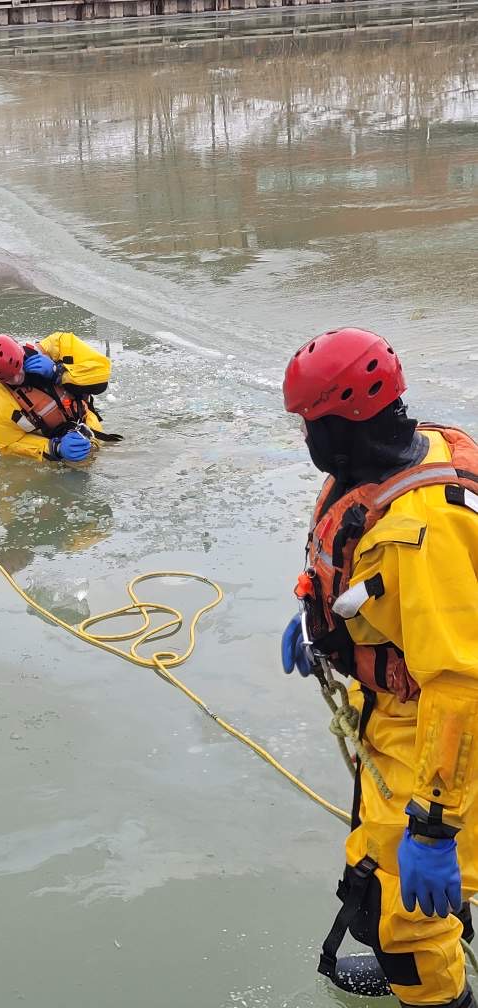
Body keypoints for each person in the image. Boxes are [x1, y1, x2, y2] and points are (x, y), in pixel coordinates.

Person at [280, 327, 478, 1008]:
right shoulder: (400, 462)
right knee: (372, 866)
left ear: (345, 423)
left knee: (404, 920)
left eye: (311, 424)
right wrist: (323, 625)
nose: (306, 441)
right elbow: (371, 583)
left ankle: (435, 990)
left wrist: (435, 827)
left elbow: (459, 688)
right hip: (397, 721)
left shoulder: (423, 533)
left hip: (445, 742)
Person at [0, 331, 119, 463]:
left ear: (22, 354)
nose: (16, 379)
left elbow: (101, 377)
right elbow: (9, 445)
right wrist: (54, 448)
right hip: (52, 445)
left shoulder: (58, 345)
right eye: (9, 379)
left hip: (88, 425)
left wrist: (60, 373)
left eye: (18, 369)